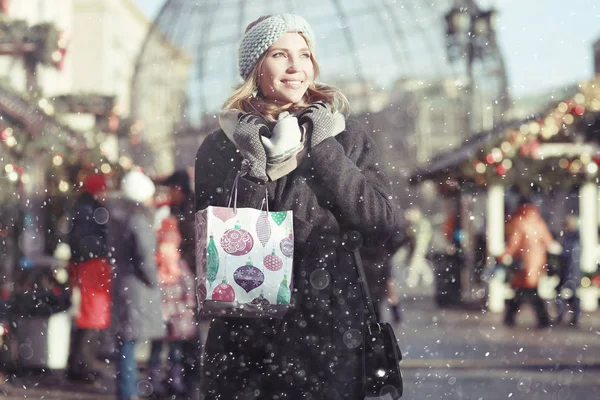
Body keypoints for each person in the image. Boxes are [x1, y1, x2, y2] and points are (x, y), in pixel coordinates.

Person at [194, 14, 397, 399]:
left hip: (328, 334)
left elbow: (381, 222)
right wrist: (253, 172)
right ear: (255, 66)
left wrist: (325, 150)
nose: (295, 67)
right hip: (245, 339)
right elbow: (214, 247)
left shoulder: (344, 136)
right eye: (280, 55)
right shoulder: (220, 147)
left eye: (304, 55)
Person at [108, 170, 165, 400]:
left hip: (123, 283)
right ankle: (128, 392)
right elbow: (144, 257)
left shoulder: (118, 218)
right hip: (136, 287)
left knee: (125, 341)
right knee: (128, 343)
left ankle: (126, 390)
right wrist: (154, 281)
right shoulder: (139, 221)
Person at [66, 173, 112, 382]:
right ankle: (81, 364)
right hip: (92, 268)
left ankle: (80, 363)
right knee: (91, 317)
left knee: (90, 317)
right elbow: (86, 241)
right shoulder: (89, 211)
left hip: (91, 267)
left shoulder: (85, 209)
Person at [148, 213, 198, 396]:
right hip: (174, 314)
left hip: (166, 314)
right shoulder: (177, 265)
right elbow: (189, 287)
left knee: (164, 351)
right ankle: (170, 382)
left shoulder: (160, 265)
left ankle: (162, 382)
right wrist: (188, 306)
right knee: (171, 352)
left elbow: (188, 287)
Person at [499, 198, 562, 329]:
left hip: (525, 262)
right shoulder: (538, 221)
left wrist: (505, 254)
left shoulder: (519, 222)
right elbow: (548, 240)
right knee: (528, 290)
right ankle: (541, 319)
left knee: (524, 291)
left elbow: (514, 243)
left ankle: (513, 317)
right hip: (538, 262)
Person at [555, 214, 582, 326]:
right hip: (570, 272)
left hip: (570, 272)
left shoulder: (572, 239)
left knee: (568, 295)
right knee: (569, 295)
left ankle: (570, 316)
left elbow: (569, 256)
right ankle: (571, 316)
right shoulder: (571, 238)